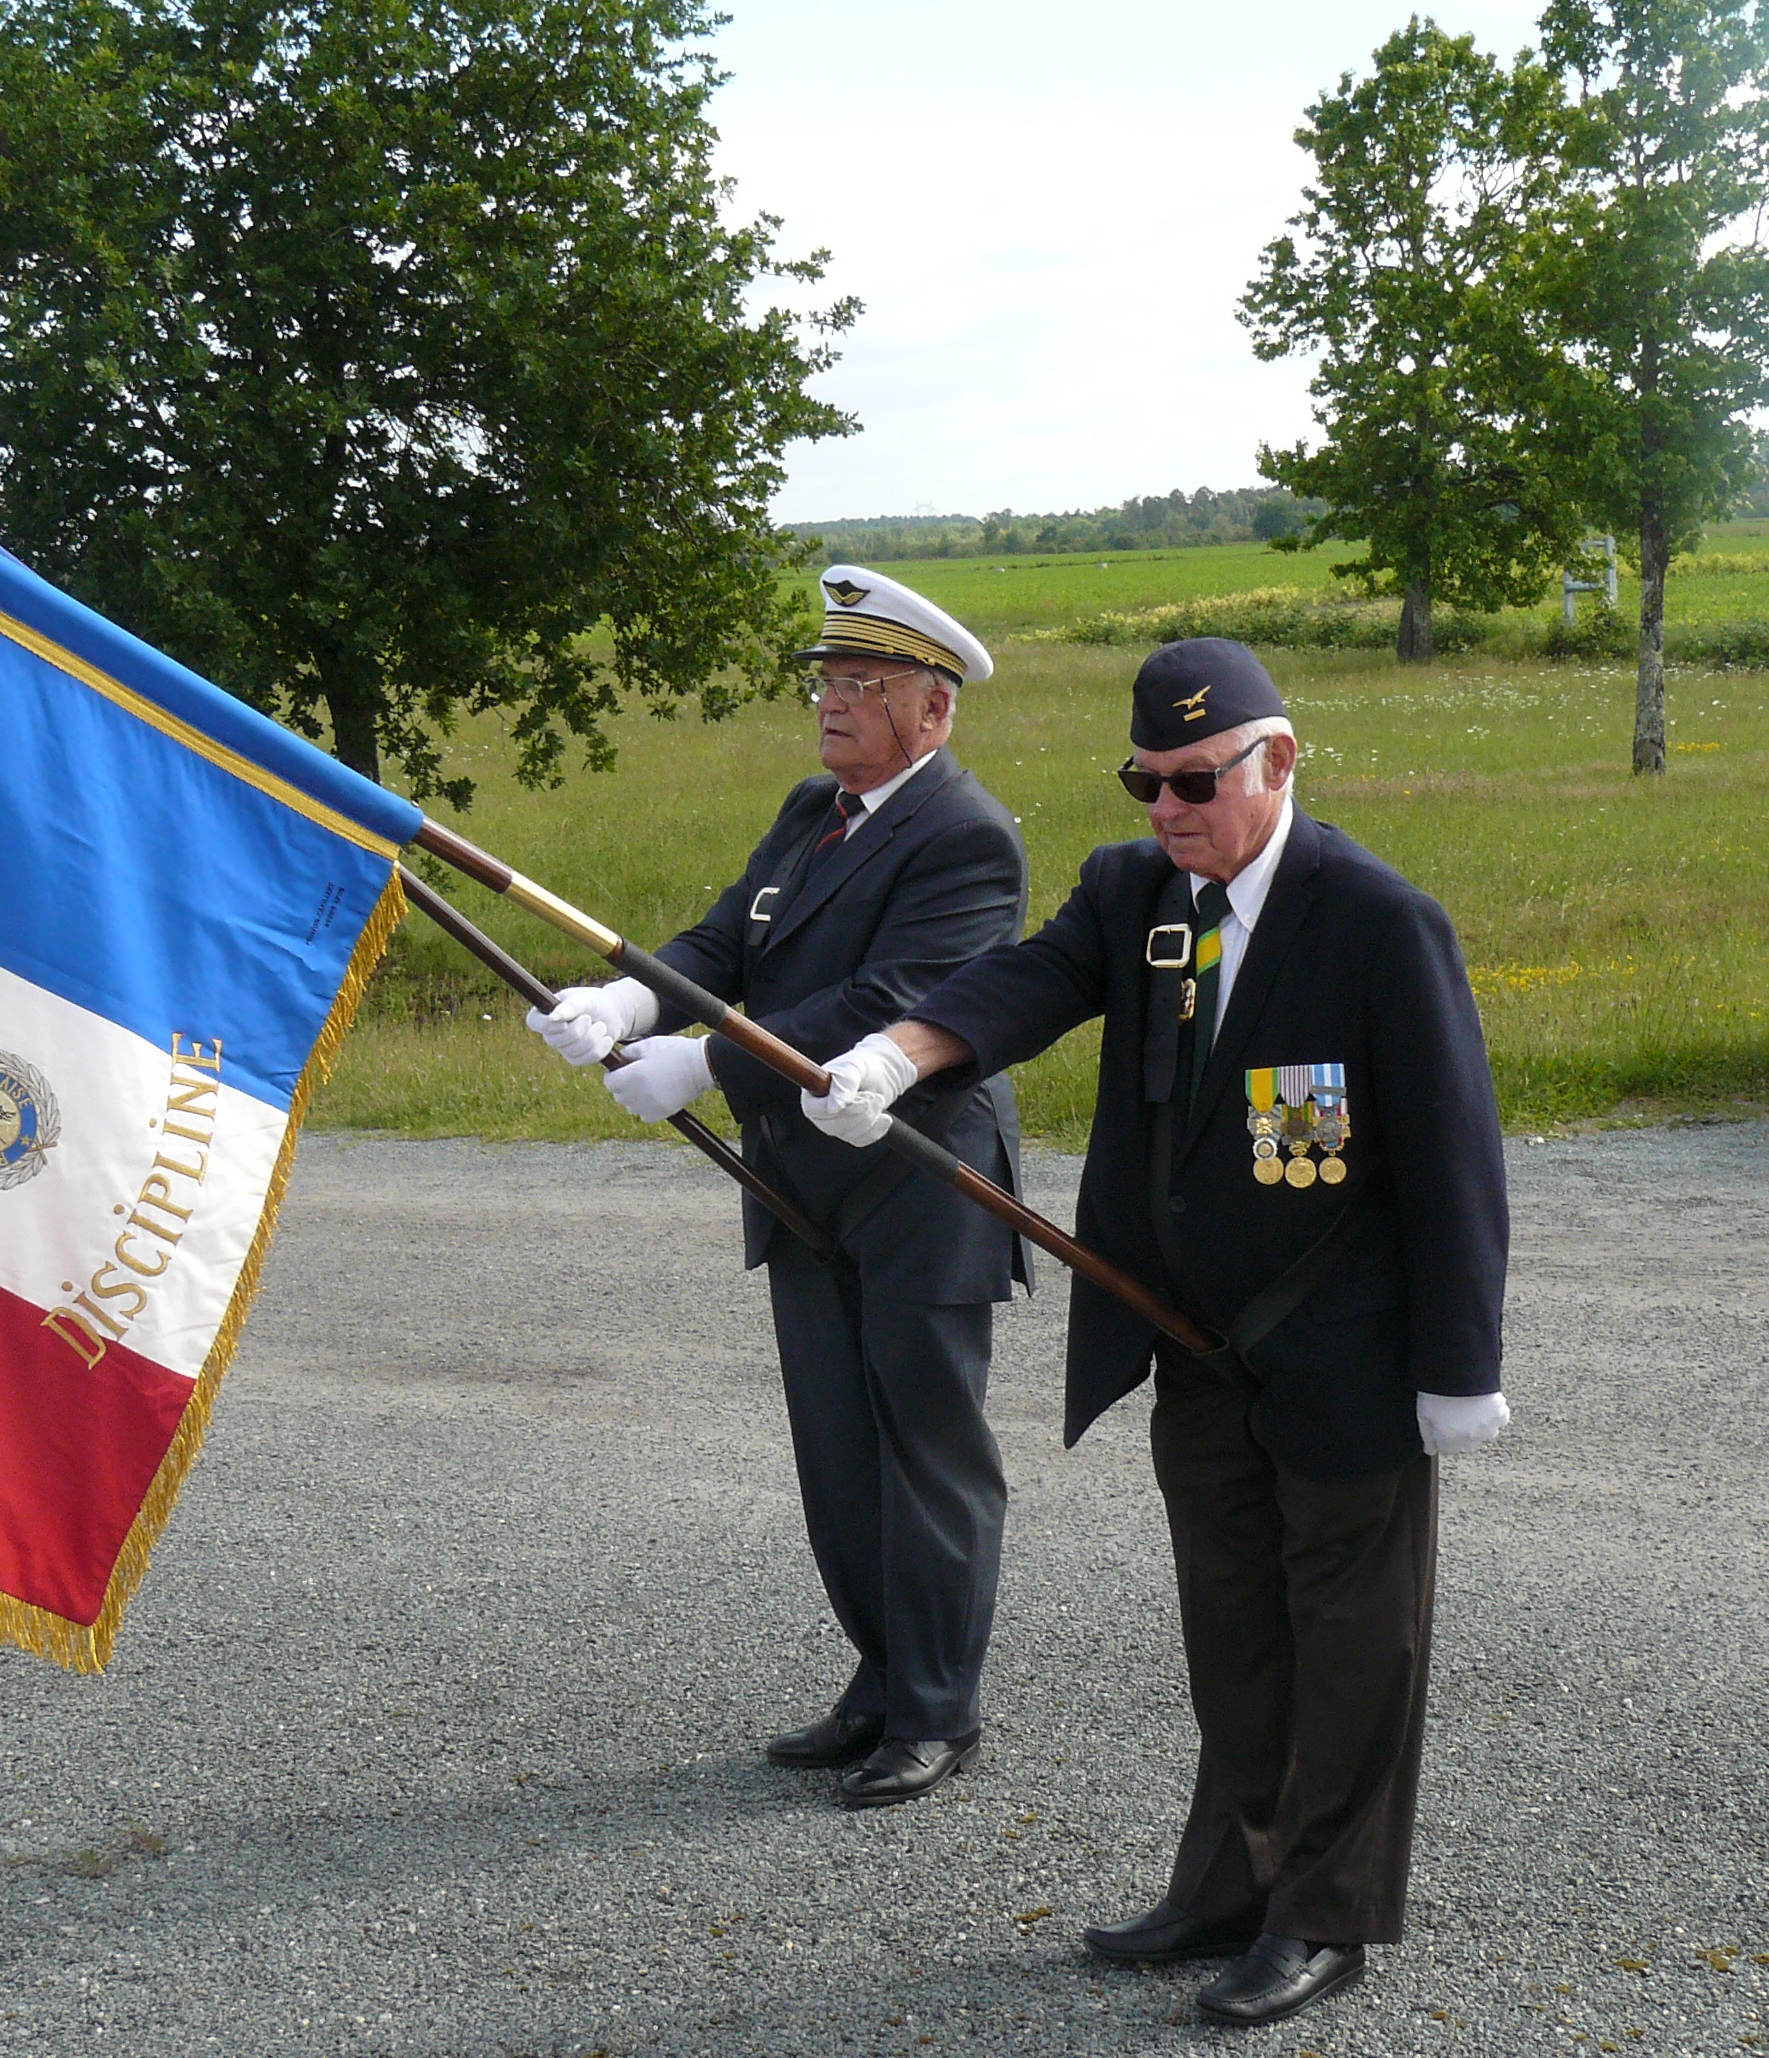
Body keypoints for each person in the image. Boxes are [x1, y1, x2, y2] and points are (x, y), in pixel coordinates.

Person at [797, 637, 1510, 2026]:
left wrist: (1457, 1369)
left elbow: (1449, 1155)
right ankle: (1229, 1881)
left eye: (1195, 779)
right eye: (1144, 781)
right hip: (1188, 1342)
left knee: (1348, 1641)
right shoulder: (1136, 894)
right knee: (1232, 1631)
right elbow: (1022, 985)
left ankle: (1319, 1914)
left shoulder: (1371, 917)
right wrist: (899, 1053)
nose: (1168, 808)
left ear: (1276, 759)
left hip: (1348, 1358)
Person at [526, 564, 1028, 1809]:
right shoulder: (816, 808)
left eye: (865, 684)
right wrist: (631, 996)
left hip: (918, 1176)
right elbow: (721, 941)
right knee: (837, 1449)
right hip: (803, 1177)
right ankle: (878, 1677)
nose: (834, 704)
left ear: (935, 708)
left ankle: (934, 1710)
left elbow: (889, 1004)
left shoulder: (964, 834)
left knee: (926, 1449)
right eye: (827, 681)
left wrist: (702, 1059)